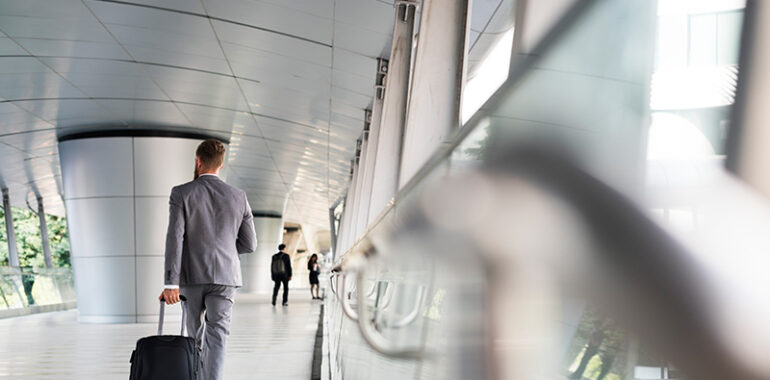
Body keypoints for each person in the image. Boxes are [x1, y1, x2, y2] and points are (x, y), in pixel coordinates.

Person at [160, 139, 257, 380]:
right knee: (218, 334)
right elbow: (250, 244)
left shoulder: (181, 193)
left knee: (194, 335)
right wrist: (225, 251)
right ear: (221, 164)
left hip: (191, 277)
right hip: (226, 276)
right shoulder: (238, 196)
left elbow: (175, 237)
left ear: (198, 161)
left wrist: (171, 283)